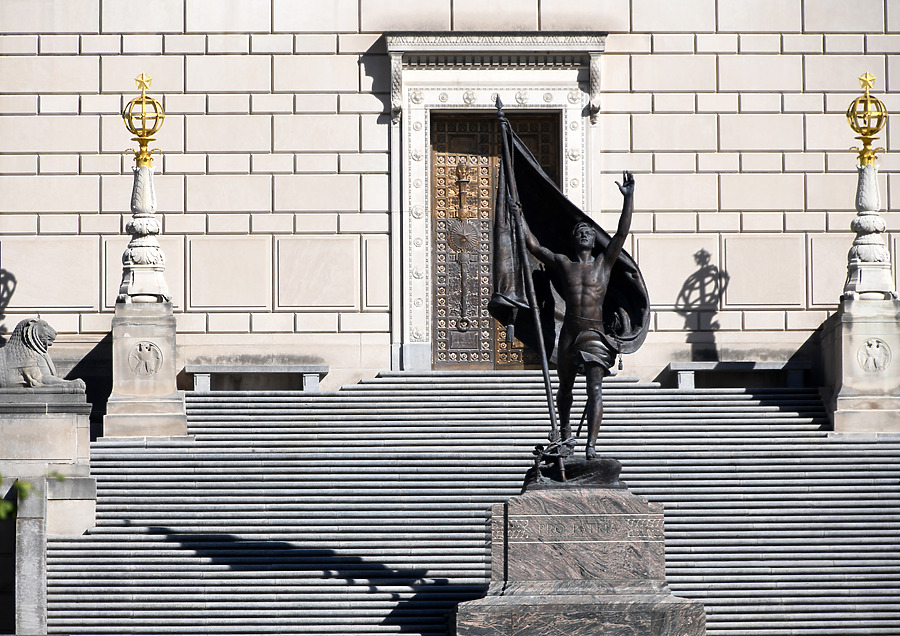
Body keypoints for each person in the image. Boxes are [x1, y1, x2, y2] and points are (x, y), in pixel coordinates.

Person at [519, 171, 635, 460]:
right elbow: (533, 246)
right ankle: (566, 429)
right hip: (570, 332)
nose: (584, 233)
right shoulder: (563, 263)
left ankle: (591, 446)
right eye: (580, 232)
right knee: (566, 388)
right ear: (574, 240)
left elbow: (621, 233)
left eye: (588, 232)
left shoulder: (603, 264)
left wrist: (628, 199)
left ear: (592, 240)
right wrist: (517, 214)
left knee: (595, 389)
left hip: (595, 333)